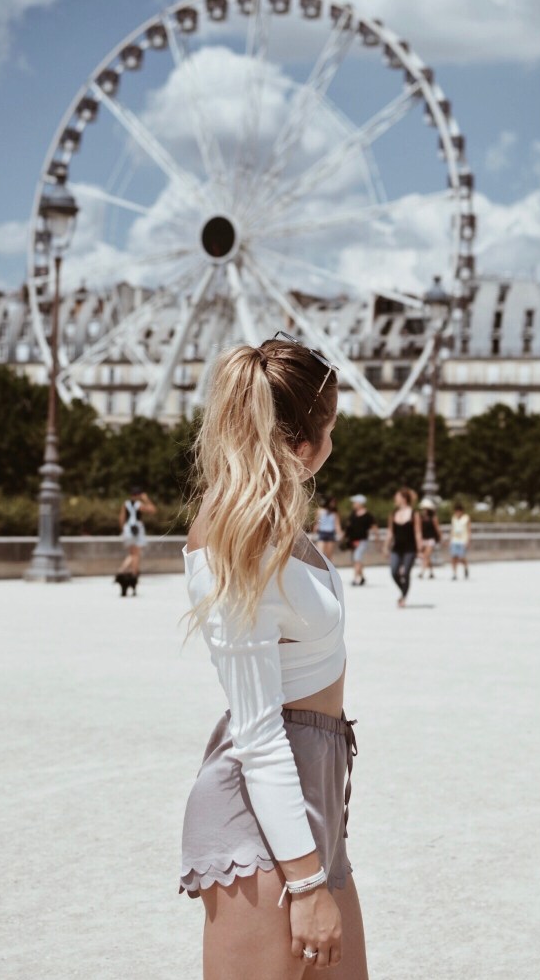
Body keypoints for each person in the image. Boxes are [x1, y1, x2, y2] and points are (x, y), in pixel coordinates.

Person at [180, 334, 368, 979]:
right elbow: (258, 734)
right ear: (304, 443)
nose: (334, 443)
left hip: (313, 790)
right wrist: (308, 886)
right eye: (332, 428)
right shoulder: (235, 537)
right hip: (266, 805)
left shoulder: (277, 523)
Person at [383, 487, 422, 608]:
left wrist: (420, 550)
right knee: (394, 571)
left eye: (397, 497)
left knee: (405, 573)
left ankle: (403, 597)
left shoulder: (414, 514)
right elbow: (390, 532)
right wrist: (385, 546)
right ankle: (403, 590)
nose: (395, 499)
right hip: (397, 548)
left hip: (410, 548)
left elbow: (418, 532)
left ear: (404, 498)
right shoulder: (393, 514)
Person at [115, 486, 157, 596]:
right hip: (137, 530)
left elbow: (121, 518)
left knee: (132, 553)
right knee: (136, 554)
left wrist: (123, 530)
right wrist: (146, 499)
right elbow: (153, 510)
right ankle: (132, 575)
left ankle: (122, 571)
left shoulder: (125, 504)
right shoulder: (139, 504)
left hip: (127, 529)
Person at [345, 494, 376, 586]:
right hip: (352, 540)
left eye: (355, 502)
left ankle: (355, 578)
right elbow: (349, 526)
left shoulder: (367, 515)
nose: (353, 504)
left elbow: (374, 526)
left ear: (360, 503)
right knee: (355, 560)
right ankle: (362, 577)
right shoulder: (353, 514)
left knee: (357, 557)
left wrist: (376, 537)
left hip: (362, 540)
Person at [417, 498, 442, 579]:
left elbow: (437, 529)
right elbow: (418, 529)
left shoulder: (433, 518)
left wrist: (440, 538)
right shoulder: (420, 518)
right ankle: (431, 572)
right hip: (423, 539)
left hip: (431, 539)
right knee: (427, 557)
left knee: (426, 555)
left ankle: (422, 572)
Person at [315, 495, 343, 563]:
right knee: (320, 552)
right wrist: (314, 532)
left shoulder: (335, 513)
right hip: (322, 533)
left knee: (329, 555)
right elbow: (317, 522)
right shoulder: (320, 511)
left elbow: (337, 525)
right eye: (332, 502)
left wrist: (340, 533)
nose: (333, 504)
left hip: (330, 534)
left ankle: (329, 568)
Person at [449, 502, 471, 580]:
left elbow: (469, 530)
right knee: (453, 557)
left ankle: (465, 567)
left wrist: (468, 541)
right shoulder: (453, 518)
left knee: (462, 557)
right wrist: (450, 539)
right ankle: (454, 573)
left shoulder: (466, 518)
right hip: (454, 540)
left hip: (463, 540)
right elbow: (452, 529)